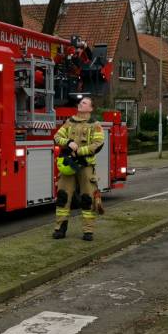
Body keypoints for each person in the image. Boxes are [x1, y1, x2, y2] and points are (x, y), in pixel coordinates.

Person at [53, 96, 105, 241]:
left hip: (86, 166)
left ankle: (88, 231)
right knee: (63, 197)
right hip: (68, 166)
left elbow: (98, 144)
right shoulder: (69, 122)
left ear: (91, 108)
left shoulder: (95, 125)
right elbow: (57, 137)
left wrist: (80, 151)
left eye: (85, 102)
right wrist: (68, 142)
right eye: (81, 102)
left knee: (87, 198)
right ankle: (60, 229)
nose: (81, 104)